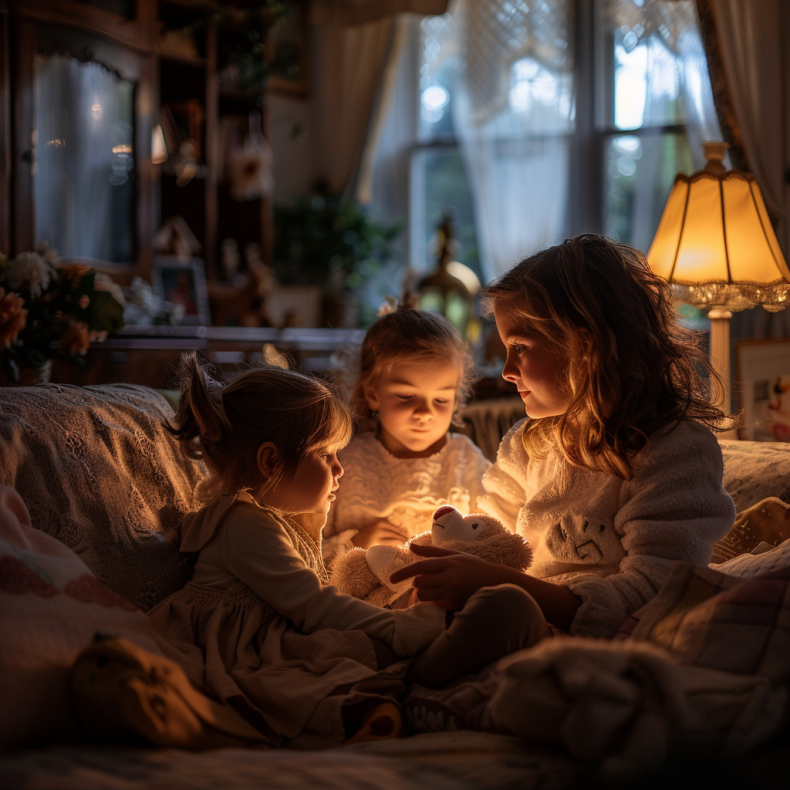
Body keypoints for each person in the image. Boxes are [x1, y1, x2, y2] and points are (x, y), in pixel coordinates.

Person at [391, 234, 737, 644]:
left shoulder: (674, 451)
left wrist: (509, 589)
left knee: (500, 609)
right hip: (515, 623)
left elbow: (657, 592)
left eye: (519, 347)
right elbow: (493, 538)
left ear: (584, 345)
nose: (505, 370)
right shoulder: (528, 442)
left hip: (594, 640)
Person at [147, 352, 448, 748]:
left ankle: (380, 706)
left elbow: (307, 579)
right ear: (271, 461)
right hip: (241, 652)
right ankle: (374, 712)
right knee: (362, 651)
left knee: (362, 647)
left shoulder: (271, 518)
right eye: (326, 455)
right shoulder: (243, 523)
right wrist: (396, 627)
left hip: (272, 632)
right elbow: (312, 604)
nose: (339, 469)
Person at [322, 305, 491, 564]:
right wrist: (354, 544)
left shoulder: (466, 461)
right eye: (406, 396)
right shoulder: (346, 463)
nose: (425, 412)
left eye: (442, 399)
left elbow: (493, 538)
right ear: (372, 393)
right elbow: (307, 555)